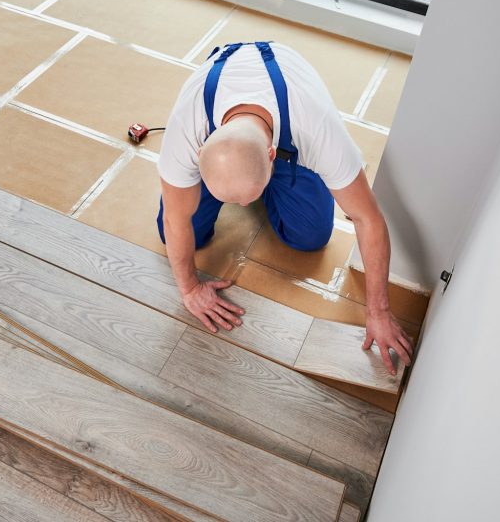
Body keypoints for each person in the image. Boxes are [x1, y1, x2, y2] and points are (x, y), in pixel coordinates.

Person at [156, 40, 412, 374]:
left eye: (248, 197)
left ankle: (279, 179)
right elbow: (177, 219)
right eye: (233, 199)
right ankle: (242, 180)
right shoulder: (185, 131)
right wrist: (189, 289)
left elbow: (368, 218)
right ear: (200, 152)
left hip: (292, 125)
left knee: (310, 237)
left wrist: (378, 313)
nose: (244, 206)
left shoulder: (318, 131)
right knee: (174, 231)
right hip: (239, 136)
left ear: (271, 155)